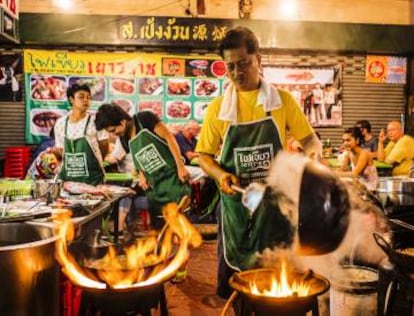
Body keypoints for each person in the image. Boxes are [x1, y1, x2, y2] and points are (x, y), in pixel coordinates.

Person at [195, 26, 322, 299]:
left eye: (244, 64)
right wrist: (220, 175)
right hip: (235, 206)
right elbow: (203, 156)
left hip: (274, 207)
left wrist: (308, 163)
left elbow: (311, 141)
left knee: (276, 282)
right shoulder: (218, 108)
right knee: (234, 285)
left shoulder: (282, 101)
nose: (238, 72)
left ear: (258, 59)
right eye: (230, 67)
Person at [95, 104, 191, 229]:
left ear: (122, 121)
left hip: (173, 179)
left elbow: (169, 138)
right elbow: (137, 157)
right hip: (154, 188)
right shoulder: (124, 138)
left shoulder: (145, 119)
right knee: (159, 229)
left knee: (180, 225)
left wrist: (180, 166)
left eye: (114, 130)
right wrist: (141, 175)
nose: (115, 134)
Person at [53, 84, 108, 185]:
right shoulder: (60, 123)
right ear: (71, 100)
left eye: (88, 97)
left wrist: (92, 161)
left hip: (93, 180)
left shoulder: (96, 121)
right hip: (69, 180)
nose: (86, 100)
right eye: (81, 97)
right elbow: (60, 149)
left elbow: (104, 146)